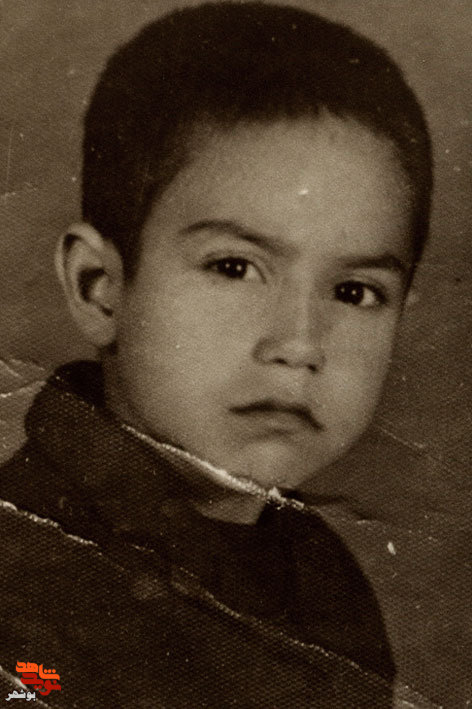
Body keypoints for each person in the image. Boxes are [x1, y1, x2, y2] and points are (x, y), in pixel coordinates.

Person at [0, 2, 434, 706]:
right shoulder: (22, 582)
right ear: (100, 287)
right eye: (234, 267)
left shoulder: (323, 574)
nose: (299, 344)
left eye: (354, 291)